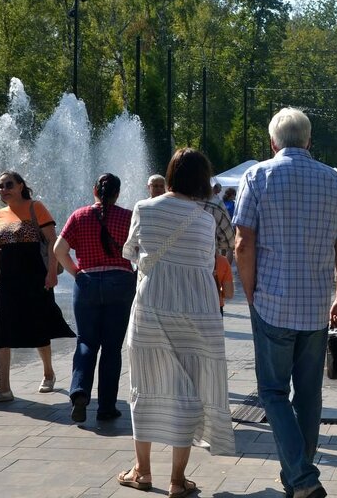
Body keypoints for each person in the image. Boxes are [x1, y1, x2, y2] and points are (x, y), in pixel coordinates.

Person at [234, 108, 337, 498]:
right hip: (316, 305)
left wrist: (250, 293)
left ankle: (302, 478)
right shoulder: (332, 180)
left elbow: (243, 243)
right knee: (308, 395)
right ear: (308, 141)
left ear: (273, 143)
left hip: (271, 300)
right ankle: (297, 476)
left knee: (272, 392)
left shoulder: (256, 176)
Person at [117, 148, 234, 497]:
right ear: (202, 180)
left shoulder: (144, 208)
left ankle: (142, 470)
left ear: (168, 175)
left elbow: (131, 252)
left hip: (152, 308)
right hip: (199, 312)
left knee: (145, 387)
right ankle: (177, 480)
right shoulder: (205, 219)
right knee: (190, 394)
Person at [0, 171, 74, 404]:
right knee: (2, 331)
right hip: (8, 281)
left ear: (21, 185)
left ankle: (48, 372)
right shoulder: (0, 214)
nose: (4, 189)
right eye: (0, 186)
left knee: (38, 327)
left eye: (9, 185)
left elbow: (53, 241)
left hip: (35, 277)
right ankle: (4, 389)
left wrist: (52, 272)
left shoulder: (36, 207)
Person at [54, 172, 136, 423]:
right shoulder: (128, 216)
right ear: (118, 193)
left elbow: (59, 250)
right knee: (112, 347)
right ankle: (107, 407)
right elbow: (140, 251)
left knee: (86, 342)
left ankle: (79, 393)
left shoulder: (79, 216)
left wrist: (77, 273)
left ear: (94, 190)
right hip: (120, 282)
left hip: (87, 282)